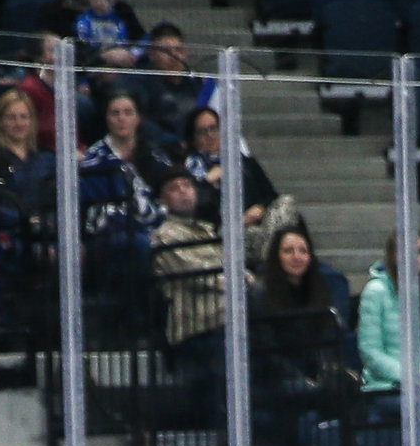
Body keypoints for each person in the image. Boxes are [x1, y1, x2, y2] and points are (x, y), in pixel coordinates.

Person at [358, 232, 420, 401]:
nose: (412, 258)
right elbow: (371, 352)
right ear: (393, 256)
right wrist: (411, 380)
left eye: (419, 252)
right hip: (388, 385)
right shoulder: (375, 292)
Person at [151, 171, 229, 361]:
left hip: (229, 318)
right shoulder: (164, 236)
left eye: (187, 185)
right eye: (174, 188)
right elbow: (197, 274)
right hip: (196, 327)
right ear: (162, 200)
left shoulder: (208, 231)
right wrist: (239, 282)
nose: (183, 191)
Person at [179, 104, 278, 239]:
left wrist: (260, 208)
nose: (210, 135)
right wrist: (208, 181)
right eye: (202, 131)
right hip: (218, 232)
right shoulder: (188, 167)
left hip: (257, 223)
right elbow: (193, 208)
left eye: (214, 128)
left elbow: (271, 196)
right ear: (193, 138)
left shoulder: (244, 161)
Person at [81, 90, 171, 234]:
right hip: (114, 233)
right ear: (106, 118)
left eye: (128, 112)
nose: (121, 118)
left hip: (162, 226)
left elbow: (168, 194)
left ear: (138, 118)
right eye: (115, 113)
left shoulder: (155, 155)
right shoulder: (94, 159)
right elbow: (100, 210)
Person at [0, 89, 56, 198]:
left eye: (23, 117)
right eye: (11, 118)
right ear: (0, 121)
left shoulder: (46, 159)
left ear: (32, 120)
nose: (18, 124)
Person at [143, 24, 212, 136]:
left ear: (186, 52)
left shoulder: (196, 82)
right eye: (166, 51)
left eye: (178, 50)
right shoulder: (141, 82)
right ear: (151, 53)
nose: (174, 55)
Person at [71, 0, 141, 69]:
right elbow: (83, 46)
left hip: (116, 62)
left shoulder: (118, 22)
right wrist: (101, 55)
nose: (100, 2)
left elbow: (123, 41)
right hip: (93, 63)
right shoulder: (83, 21)